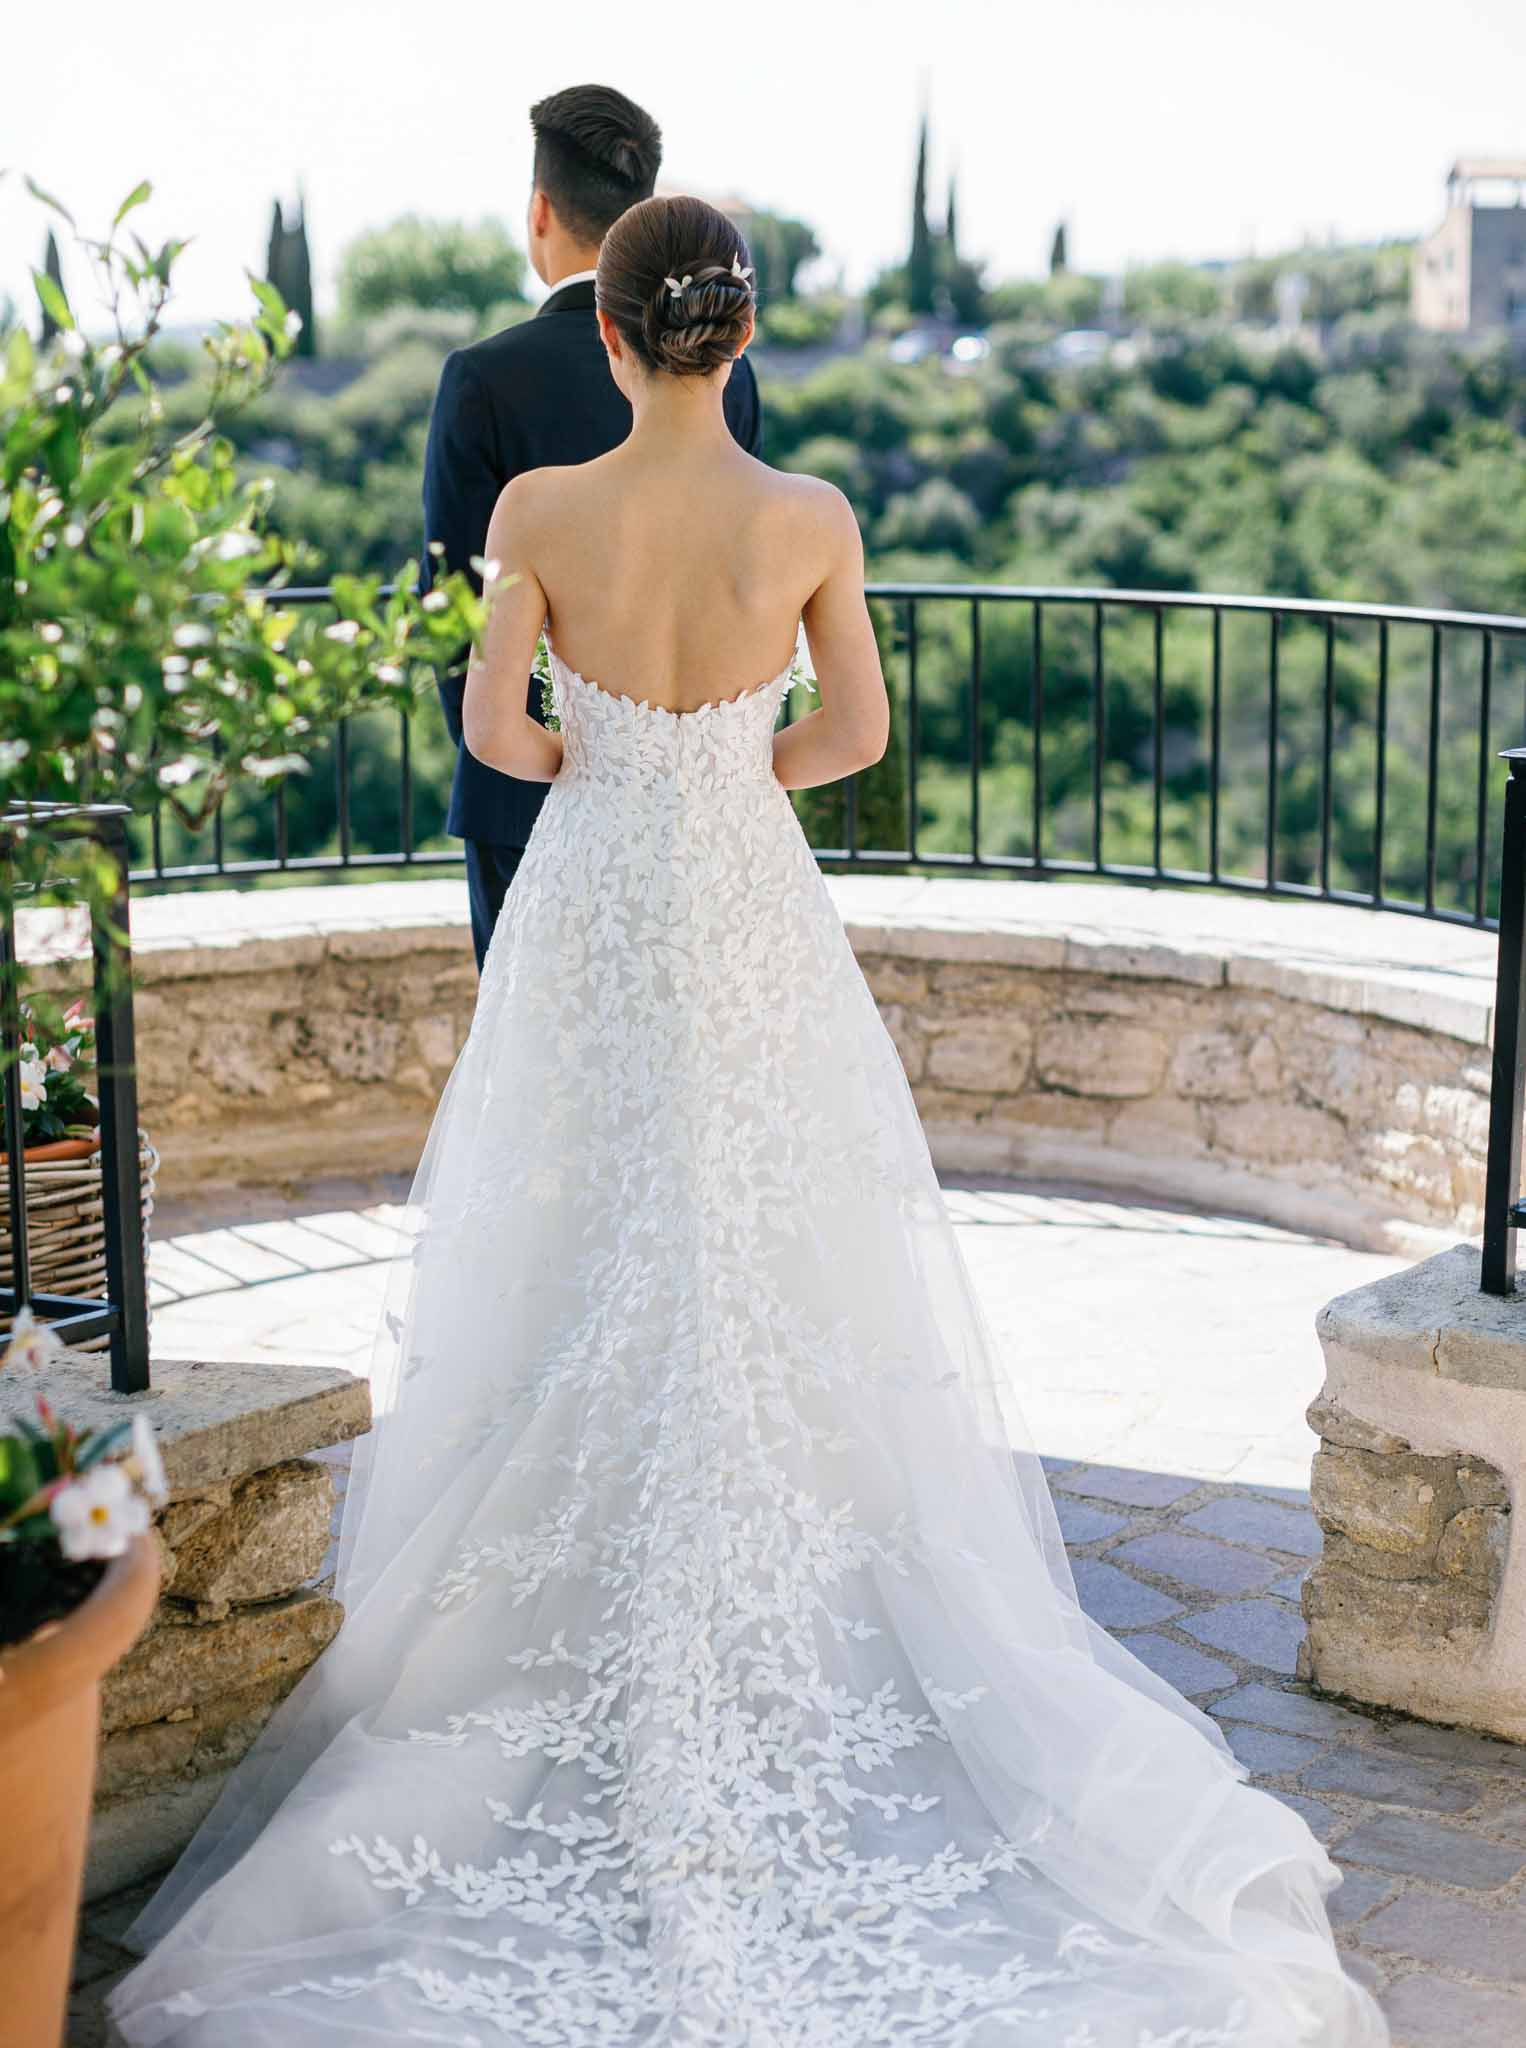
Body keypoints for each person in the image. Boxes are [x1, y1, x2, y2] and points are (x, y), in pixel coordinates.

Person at [111, 196, 1387, 2047]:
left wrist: (613, 763)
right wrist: (725, 768)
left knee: (585, 1210)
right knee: (766, 1217)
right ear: (740, 331)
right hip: (742, 890)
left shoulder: (539, 510)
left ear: (609, 333)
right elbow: (854, 735)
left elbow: (495, 737)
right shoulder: (811, 518)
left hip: (597, 893)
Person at [421, 83, 765, 969]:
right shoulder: (727, 374)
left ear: (540, 211)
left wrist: (521, 761)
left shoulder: (482, 379)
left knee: (540, 1046)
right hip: (696, 806)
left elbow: (452, 609)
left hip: (520, 799)